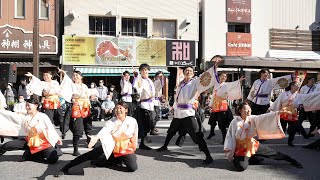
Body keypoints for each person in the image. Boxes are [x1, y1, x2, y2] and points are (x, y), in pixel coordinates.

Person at [157, 55, 223, 165]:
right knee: (171, 131)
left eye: (190, 70)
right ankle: (164, 146)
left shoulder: (195, 82)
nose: (188, 72)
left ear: (192, 73)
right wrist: (174, 107)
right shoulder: (180, 84)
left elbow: (205, 77)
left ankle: (208, 156)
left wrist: (214, 68)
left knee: (197, 135)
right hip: (178, 113)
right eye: (186, 70)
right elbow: (176, 97)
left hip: (188, 113)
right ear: (183, 72)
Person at [54, 102, 138, 177]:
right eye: (116, 108)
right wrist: (95, 138)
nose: (118, 110)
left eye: (120, 108)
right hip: (111, 146)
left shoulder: (132, 121)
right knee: (92, 157)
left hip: (125, 148)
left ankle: (120, 159)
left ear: (126, 110)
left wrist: (133, 149)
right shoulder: (111, 122)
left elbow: (134, 136)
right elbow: (104, 131)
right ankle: (66, 167)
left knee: (133, 167)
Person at [224, 102, 303, 171]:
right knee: (242, 167)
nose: (249, 111)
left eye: (249, 109)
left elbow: (264, 117)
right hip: (240, 148)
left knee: (273, 153)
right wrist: (229, 149)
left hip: (251, 144)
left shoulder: (252, 118)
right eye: (246, 109)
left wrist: (279, 112)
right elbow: (230, 136)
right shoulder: (235, 122)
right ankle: (247, 158)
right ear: (240, 110)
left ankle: (291, 160)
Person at [0, 98, 62, 164]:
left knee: (53, 159)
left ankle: (36, 154)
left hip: (42, 142)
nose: (27, 107)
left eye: (29, 105)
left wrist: (57, 138)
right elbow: (10, 117)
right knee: (7, 145)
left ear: (36, 105)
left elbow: (50, 128)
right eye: (26, 106)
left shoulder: (43, 116)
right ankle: (33, 153)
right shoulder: (24, 117)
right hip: (29, 141)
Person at [58, 69, 90, 156]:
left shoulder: (84, 86)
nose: (75, 77)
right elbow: (67, 82)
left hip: (85, 107)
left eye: (77, 75)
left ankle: (89, 139)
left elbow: (88, 96)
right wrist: (64, 73)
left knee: (87, 126)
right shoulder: (71, 85)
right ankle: (75, 149)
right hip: (76, 107)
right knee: (77, 128)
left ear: (81, 77)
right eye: (74, 75)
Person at [207, 72, 244, 143]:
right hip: (215, 104)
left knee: (222, 123)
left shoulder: (226, 85)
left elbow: (233, 84)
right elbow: (213, 95)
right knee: (212, 120)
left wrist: (239, 81)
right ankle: (212, 132)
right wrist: (210, 104)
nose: (223, 77)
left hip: (222, 105)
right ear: (219, 77)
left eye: (225, 76)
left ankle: (224, 137)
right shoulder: (216, 85)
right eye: (222, 76)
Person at [269, 81, 301, 146]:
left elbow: (300, 102)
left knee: (293, 128)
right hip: (283, 112)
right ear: (292, 86)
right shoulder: (284, 93)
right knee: (282, 128)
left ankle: (290, 141)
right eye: (296, 85)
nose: (298, 87)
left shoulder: (298, 94)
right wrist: (272, 109)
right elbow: (278, 101)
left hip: (292, 113)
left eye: (298, 86)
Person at [132, 63, 156, 150]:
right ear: (140, 72)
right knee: (144, 123)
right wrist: (136, 76)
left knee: (151, 121)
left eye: (146, 70)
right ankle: (142, 142)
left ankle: (144, 138)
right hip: (144, 104)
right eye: (142, 70)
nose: (144, 72)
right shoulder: (140, 80)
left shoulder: (150, 80)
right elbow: (137, 87)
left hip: (151, 104)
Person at [152, 71, 164, 135]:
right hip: (154, 101)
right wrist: (161, 79)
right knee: (156, 115)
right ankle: (152, 128)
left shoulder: (158, 81)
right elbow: (161, 84)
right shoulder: (156, 82)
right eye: (159, 76)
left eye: (162, 76)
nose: (161, 77)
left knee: (158, 115)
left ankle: (153, 126)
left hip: (157, 100)